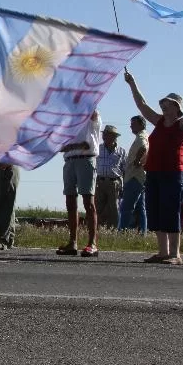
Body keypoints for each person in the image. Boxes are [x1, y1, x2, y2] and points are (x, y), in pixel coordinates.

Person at [124, 71, 183, 265]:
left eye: (167, 104)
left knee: (170, 211)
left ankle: (175, 255)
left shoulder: (181, 125)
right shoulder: (158, 121)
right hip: (153, 172)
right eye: (163, 104)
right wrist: (132, 83)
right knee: (156, 211)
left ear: (177, 108)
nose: (163, 106)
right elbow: (142, 106)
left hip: (173, 174)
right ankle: (162, 252)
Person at [56, 109, 101, 257]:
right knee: (70, 200)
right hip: (69, 161)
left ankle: (92, 243)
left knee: (88, 201)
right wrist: (73, 146)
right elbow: (60, 146)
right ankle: (72, 242)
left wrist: (72, 146)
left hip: (86, 160)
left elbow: (86, 145)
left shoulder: (91, 115)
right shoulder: (67, 120)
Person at [118, 115, 149, 233]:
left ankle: (122, 232)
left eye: (133, 123)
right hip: (140, 176)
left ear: (140, 124)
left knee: (126, 207)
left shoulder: (141, 136)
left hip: (134, 176)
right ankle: (142, 233)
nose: (131, 126)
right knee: (141, 208)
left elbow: (143, 147)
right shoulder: (144, 135)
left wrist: (137, 161)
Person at [94, 125, 127, 228]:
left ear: (113, 136)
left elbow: (125, 169)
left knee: (114, 208)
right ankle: (98, 229)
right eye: (104, 134)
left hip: (114, 182)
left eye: (107, 134)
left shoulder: (121, 151)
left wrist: (124, 186)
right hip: (100, 181)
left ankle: (113, 230)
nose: (104, 136)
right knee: (98, 207)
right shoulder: (98, 148)